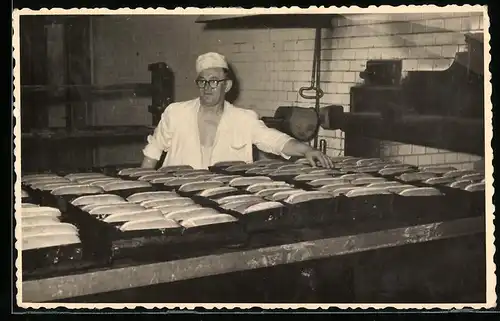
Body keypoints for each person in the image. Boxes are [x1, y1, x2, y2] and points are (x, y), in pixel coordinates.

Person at [141, 52, 333, 170]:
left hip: (223, 200)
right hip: (177, 197)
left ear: (227, 85)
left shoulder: (244, 119)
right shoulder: (175, 113)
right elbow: (152, 154)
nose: (207, 87)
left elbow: (276, 141)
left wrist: (307, 149)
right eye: (202, 81)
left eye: (214, 81)